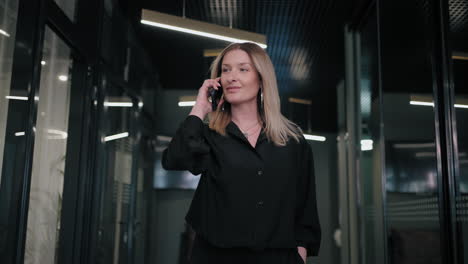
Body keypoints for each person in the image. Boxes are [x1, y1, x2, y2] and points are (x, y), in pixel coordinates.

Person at [162, 42, 320, 264]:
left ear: (261, 79)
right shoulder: (210, 136)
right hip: (217, 257)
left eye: (243, 69)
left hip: (277, 257)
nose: (231, 77)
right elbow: (174, 159)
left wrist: (300, 253)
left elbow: (305, 207)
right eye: (225, 70)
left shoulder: (292, 141)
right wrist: (200, 108)